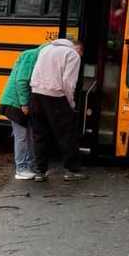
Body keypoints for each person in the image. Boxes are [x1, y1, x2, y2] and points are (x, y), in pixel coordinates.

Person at [28, 37, 86, 182]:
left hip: (36, 94)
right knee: (67, 134)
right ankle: (71, 170)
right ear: (77, 47)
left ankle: (40, 171)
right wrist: (70, 103)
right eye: (81, 52)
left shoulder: (46, 49)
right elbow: (68, 82)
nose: (80, 56)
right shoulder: (72, 54)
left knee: (40, 134)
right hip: (56, 96)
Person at [0, 44, 45, 180]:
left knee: (28, 135)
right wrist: (24, 103)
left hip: (19, 101)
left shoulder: (34, 55)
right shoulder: (31, 56)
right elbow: (21, 81)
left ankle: (29, 166)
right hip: (15, 103)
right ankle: (21, 168)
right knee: (22, 136)